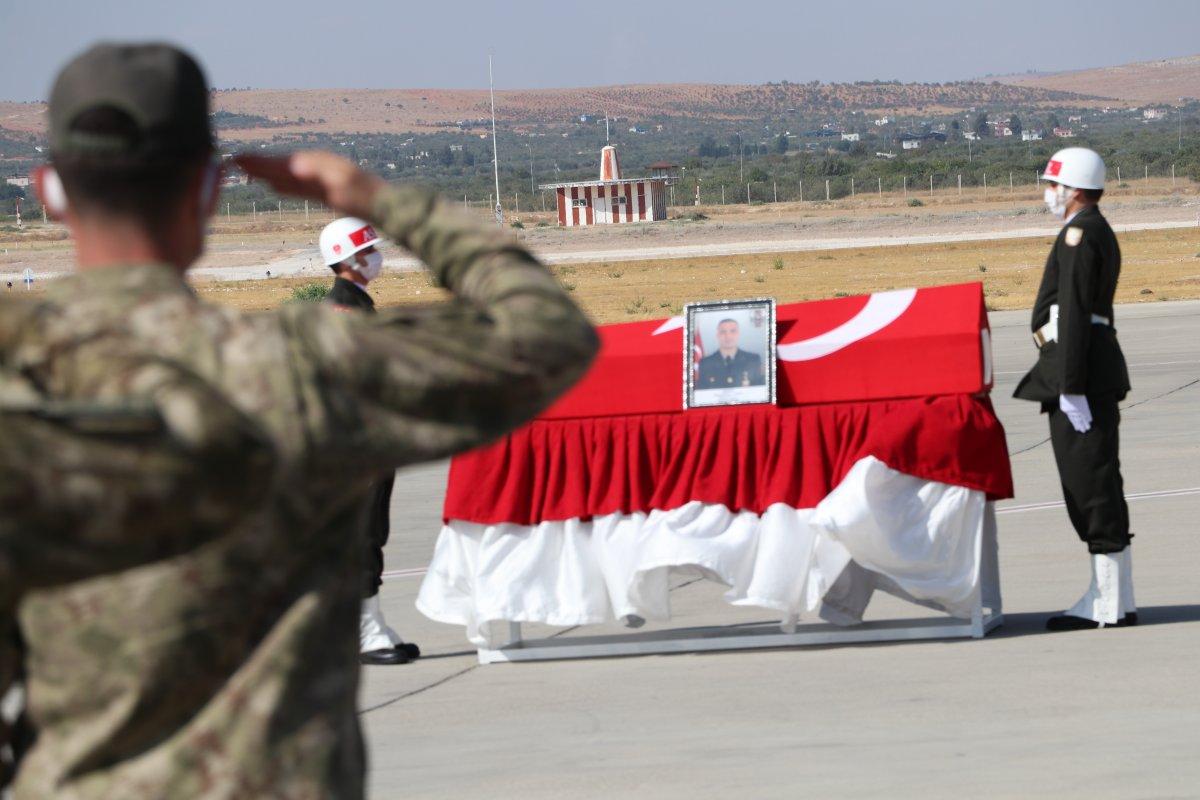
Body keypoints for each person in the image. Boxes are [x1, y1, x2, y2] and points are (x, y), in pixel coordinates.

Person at [5, 42, 597, 798]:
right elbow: (546, 336)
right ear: (211, 189)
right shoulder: (305, 367)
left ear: (49, 192)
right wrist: (378, 198)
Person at [1013, 146, 1134, 631]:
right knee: (1094, 482)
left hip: (1078, 371)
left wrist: (1070, 386)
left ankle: (1105, 604)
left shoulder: (1081, 235)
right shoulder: (1085, 231)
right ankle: (1115, 602)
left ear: (1075, 188)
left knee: (1090, 486)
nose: (1048, 193)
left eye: (1053, 184)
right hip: (1079, 367)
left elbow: (1077, 313)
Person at [320, 216, 419, 665]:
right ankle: (363, 631)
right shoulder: (345, 311)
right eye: (369, 251)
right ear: (350, 259)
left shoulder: (355, 305)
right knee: (363, 535)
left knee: (369, 533)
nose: (376, 258)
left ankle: (369, 623)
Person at [696, 317, 764, 388]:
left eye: (733, 331)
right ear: (717, 335)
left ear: (738, 334)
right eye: (723, 332)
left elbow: (760, 390)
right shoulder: (706, 363)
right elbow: (702, 393)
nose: (728, 336)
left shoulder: (753, 360)